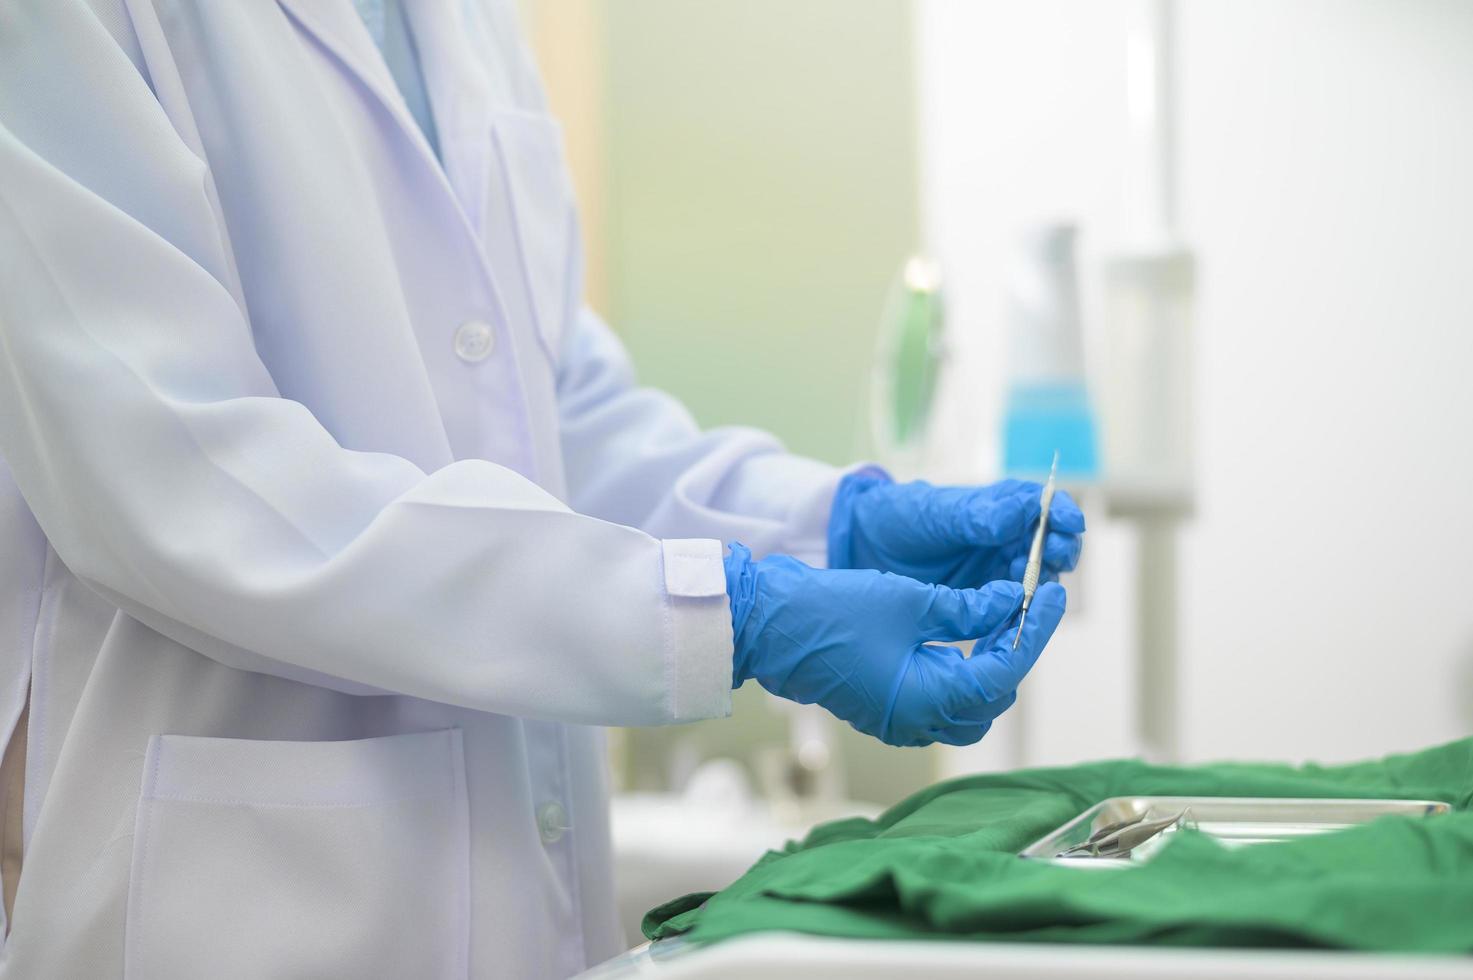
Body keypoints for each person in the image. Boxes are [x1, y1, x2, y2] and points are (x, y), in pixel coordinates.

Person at [0, 2, 1082, 976]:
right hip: (235, 911)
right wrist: (723, 613)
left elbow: (553, 422)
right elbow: (183, 483)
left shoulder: (469, 24)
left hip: (518, 900)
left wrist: (822, 529)